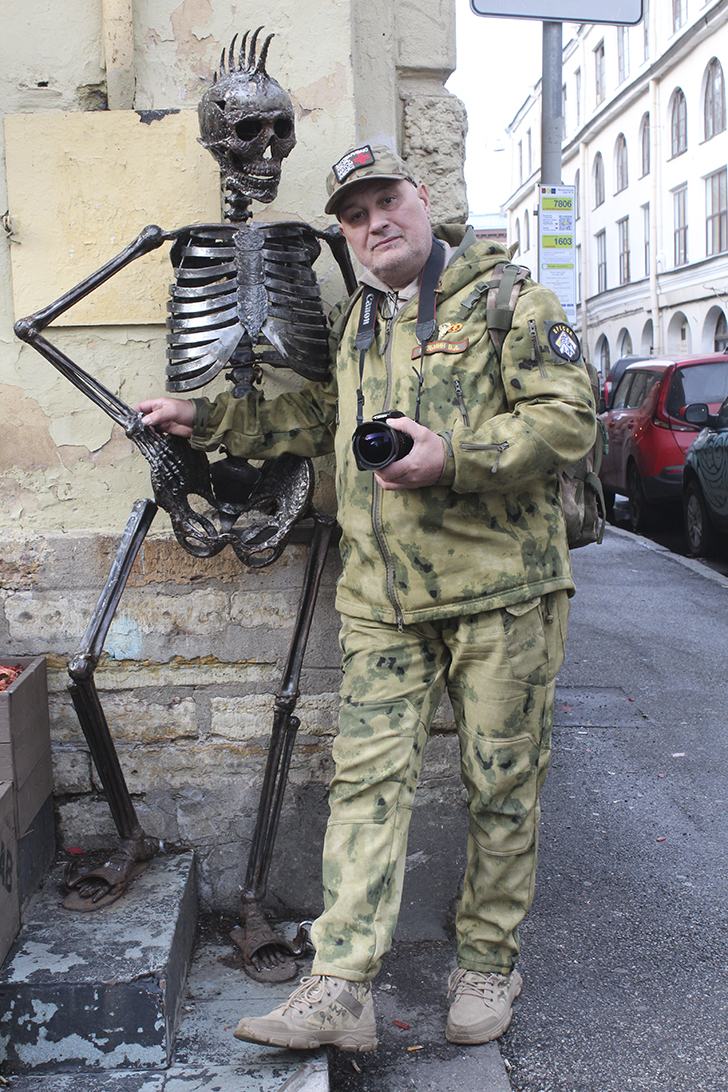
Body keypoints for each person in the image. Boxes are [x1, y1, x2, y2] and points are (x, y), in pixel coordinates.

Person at [136, 144, 597, 1053]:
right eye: (354, 215)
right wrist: (209, 417)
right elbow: (318, 421)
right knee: (365, 786)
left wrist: (452, 458)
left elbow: (568, 419)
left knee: (502, 784)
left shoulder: (511, 301)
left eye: (388, 201)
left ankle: (488, 960)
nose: (374, 222)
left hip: (502, 595)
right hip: (381, 599)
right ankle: (340, 986)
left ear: (423, 202)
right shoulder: (359, 323)